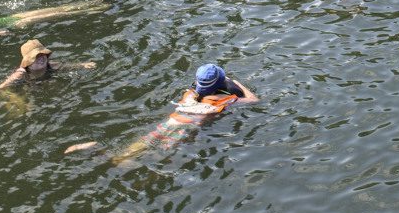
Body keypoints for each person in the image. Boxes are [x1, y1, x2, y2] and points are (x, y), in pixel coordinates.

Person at [64, 64, 258, 161]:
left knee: (142, 145)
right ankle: (111, 157)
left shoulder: (191, 94)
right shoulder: (227, 98)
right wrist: (239, 84)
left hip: (171, 122)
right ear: (221, 83)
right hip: (187, 129)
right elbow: (254, 101)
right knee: (159, 157)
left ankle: (107, 152)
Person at [0, 39, 96, 107]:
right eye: (36, 57)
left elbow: (70, 67)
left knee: (55, 85)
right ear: (28, 62)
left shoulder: (51, 65)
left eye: (43, 54)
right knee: (29, 103)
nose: (41, 58)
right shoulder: (21, 74)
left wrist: (84, 65)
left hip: (44, 82)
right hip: (27, 86)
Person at [0, 0, 104, 42]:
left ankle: (90, 3)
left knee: (55, 9)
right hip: (14, 23)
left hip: (11, 18)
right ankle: (93, 10)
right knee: (52, 16)